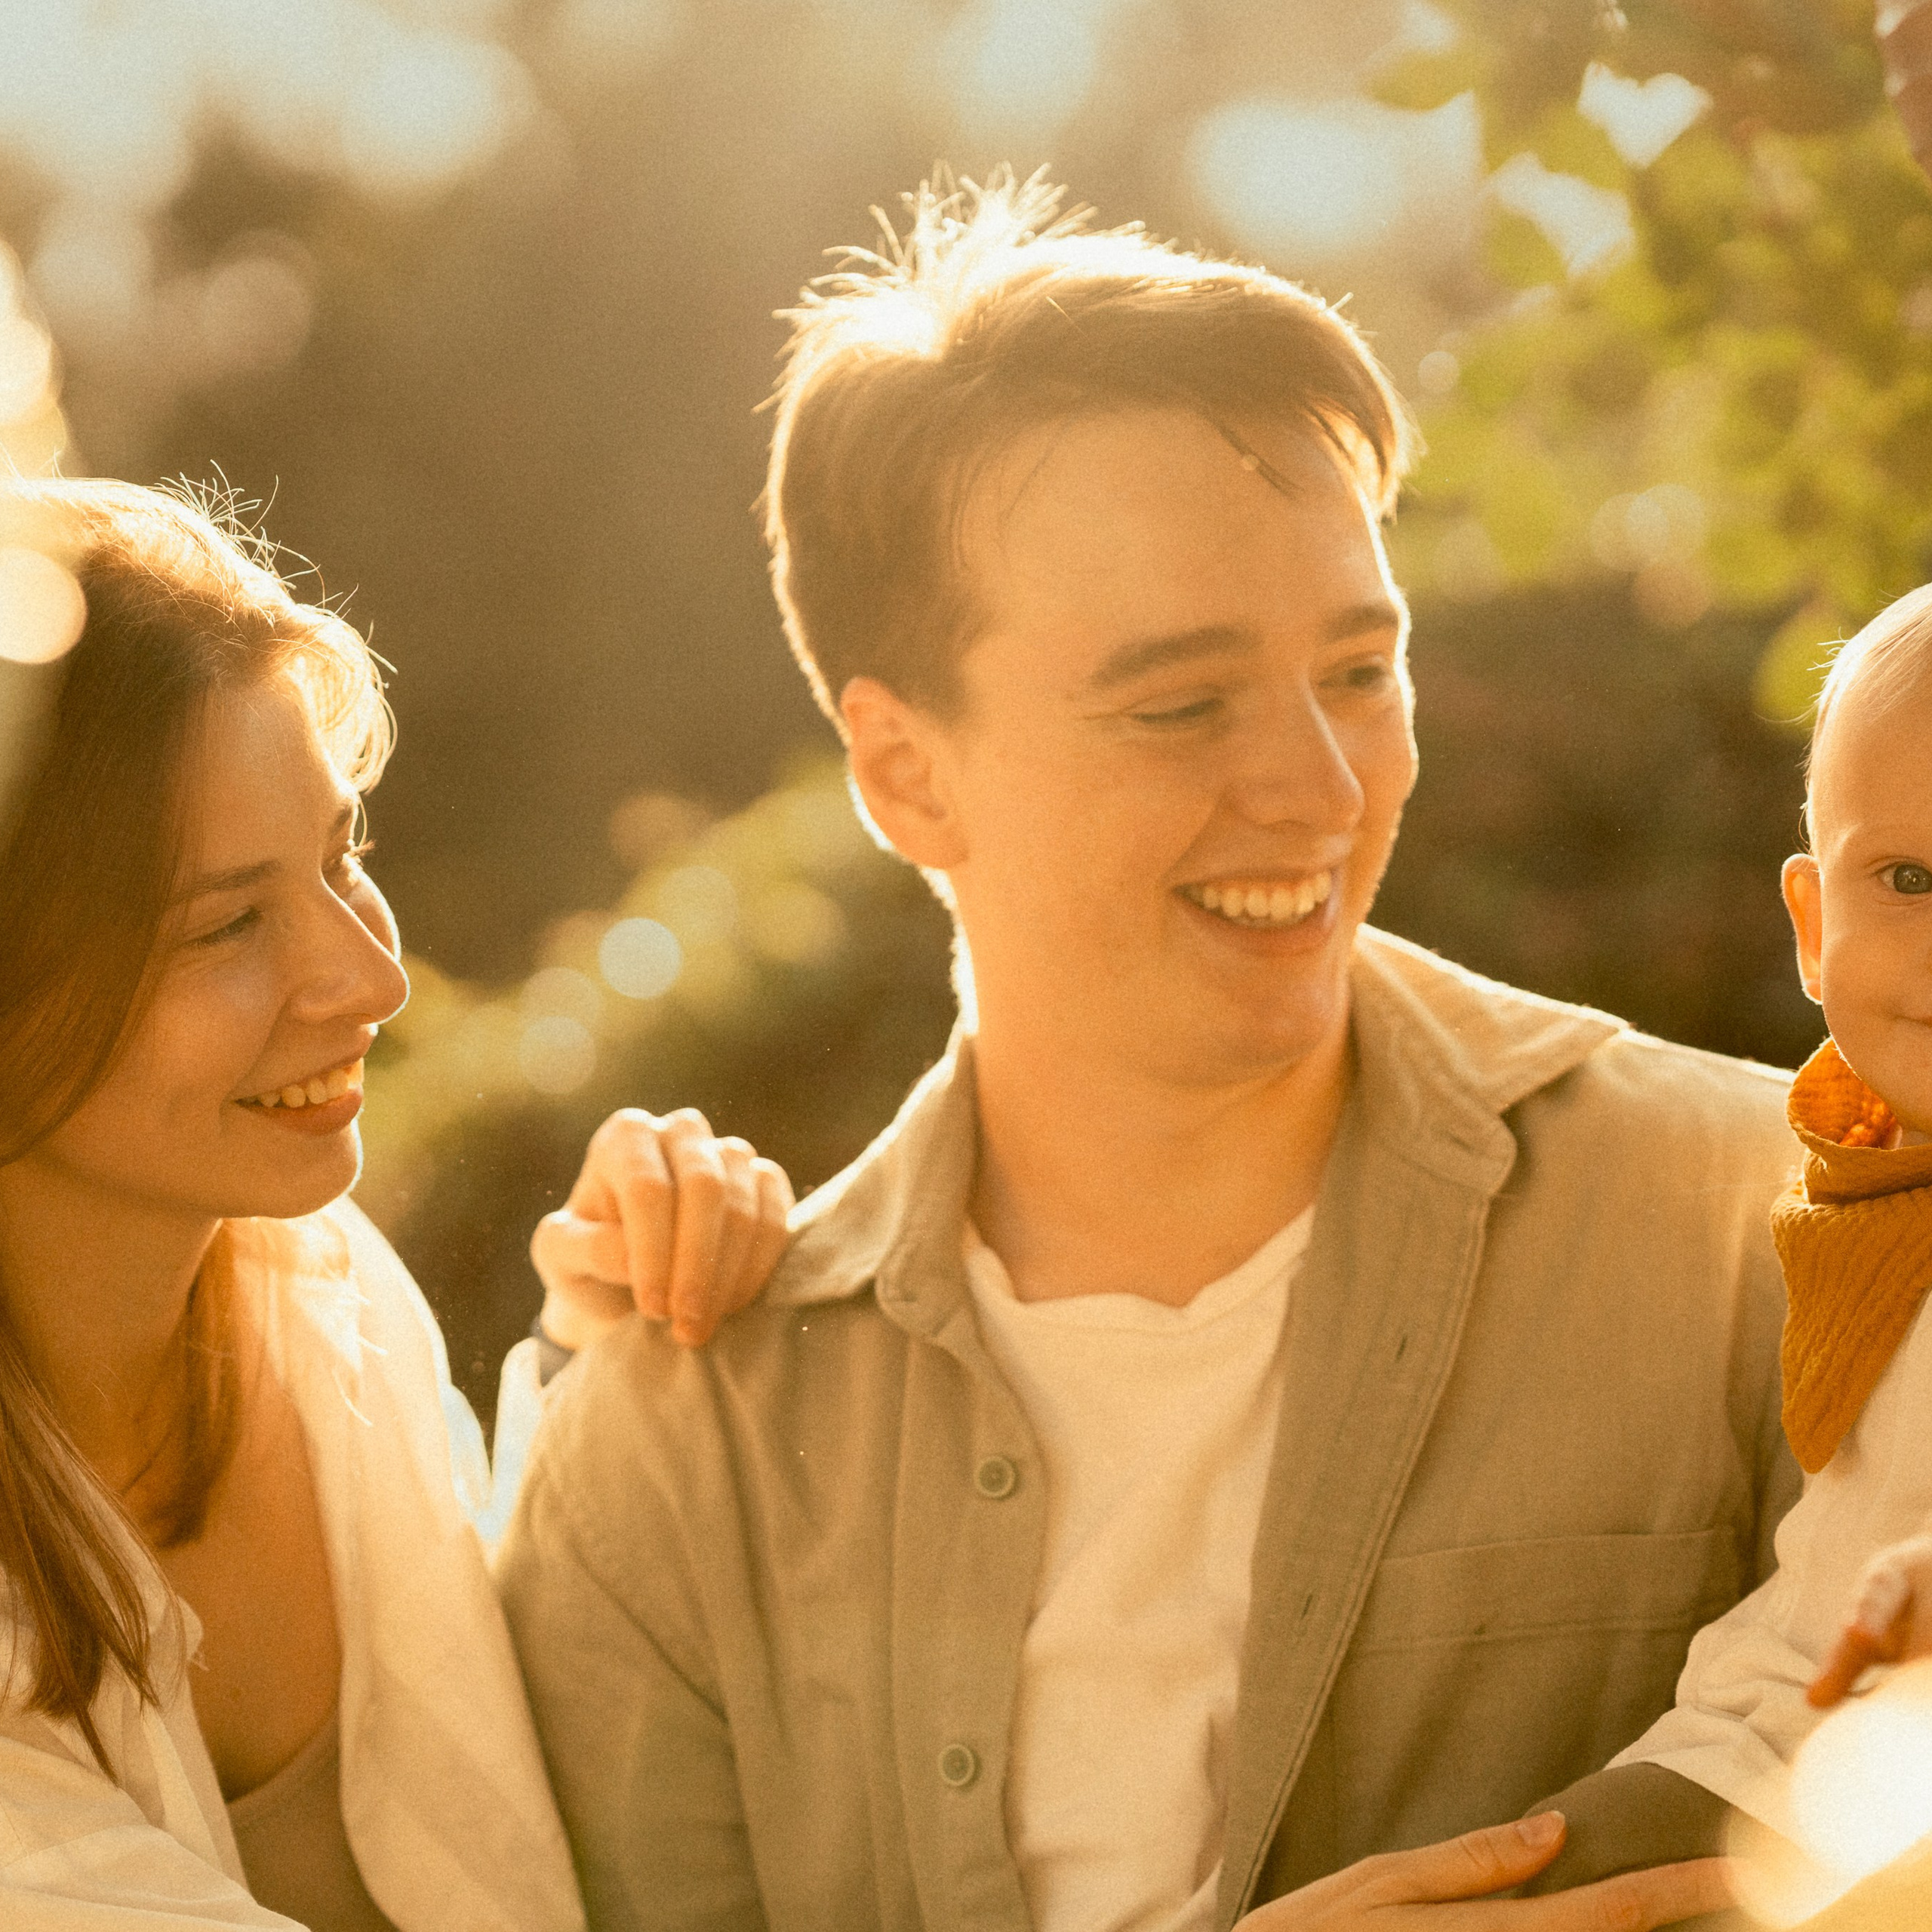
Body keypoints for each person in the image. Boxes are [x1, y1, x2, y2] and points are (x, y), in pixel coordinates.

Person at [497, 175, 1793, 1931]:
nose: (1321, 794)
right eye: (1180, 703)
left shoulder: (1759, 1222)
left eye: (1357, 669)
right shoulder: (671, 1463)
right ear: (902, 771)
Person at [0, 478, 791, 1929]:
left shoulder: (321, 1293)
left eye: (342, 859)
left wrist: (604, 1353)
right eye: (230, 923)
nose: (368, 981)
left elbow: (532, 1818)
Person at [1517, 586, 1932, 1887]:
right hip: (1799, 1773)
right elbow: (1811, 1622)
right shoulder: (1875, 1210)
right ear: (1814, 929)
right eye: (1910, 879)